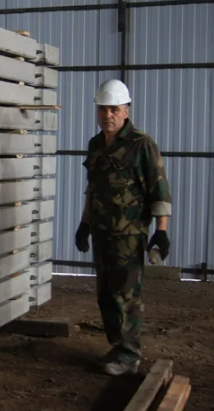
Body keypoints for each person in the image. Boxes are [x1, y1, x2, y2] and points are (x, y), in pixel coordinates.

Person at [74, 79, 172, 376]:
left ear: (126, 111)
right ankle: (118, 347)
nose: (108, 115)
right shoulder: (96, 145)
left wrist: (161, 231)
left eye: (114, 109)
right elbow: (92, 189)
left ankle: (130, 356)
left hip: (129, 234)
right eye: (103, 109)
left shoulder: (142, 145)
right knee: (105, 294)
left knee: (126, 295)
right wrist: (84, 224)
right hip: (102, 232)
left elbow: (159, 190)